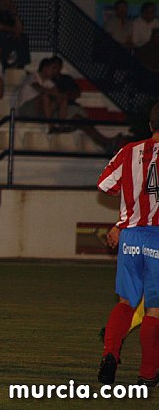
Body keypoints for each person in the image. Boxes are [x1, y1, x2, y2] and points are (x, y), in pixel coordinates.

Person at [97, 101, 159, 387]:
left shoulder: (129, 150)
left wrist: (128, 210)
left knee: (125, 303)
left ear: (150, 124)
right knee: (155, 309)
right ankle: (147, 374)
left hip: (131, 236)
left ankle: (110, 354)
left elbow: (105, 184)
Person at [16, 58, 67, 132]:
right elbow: (39, 88)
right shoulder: (32, 76)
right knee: (44, 96)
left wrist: (59, 96)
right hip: (25, 110)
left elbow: (57, 93)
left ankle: (62, 127)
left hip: (39, 111)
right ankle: (50, 126)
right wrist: (53, 93)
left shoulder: (49, 82)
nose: (54, 72)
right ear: (45, 68)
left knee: (63, 99)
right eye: (52, 68)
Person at [0, 0, 30, 69]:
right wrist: (12, 30)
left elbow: (20, 29)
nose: (6, 2)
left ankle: (21, 64)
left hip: (10, 37)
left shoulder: (9, 13)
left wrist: (15, 15)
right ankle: (6, 64)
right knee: (1, 36)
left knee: (22, 37)